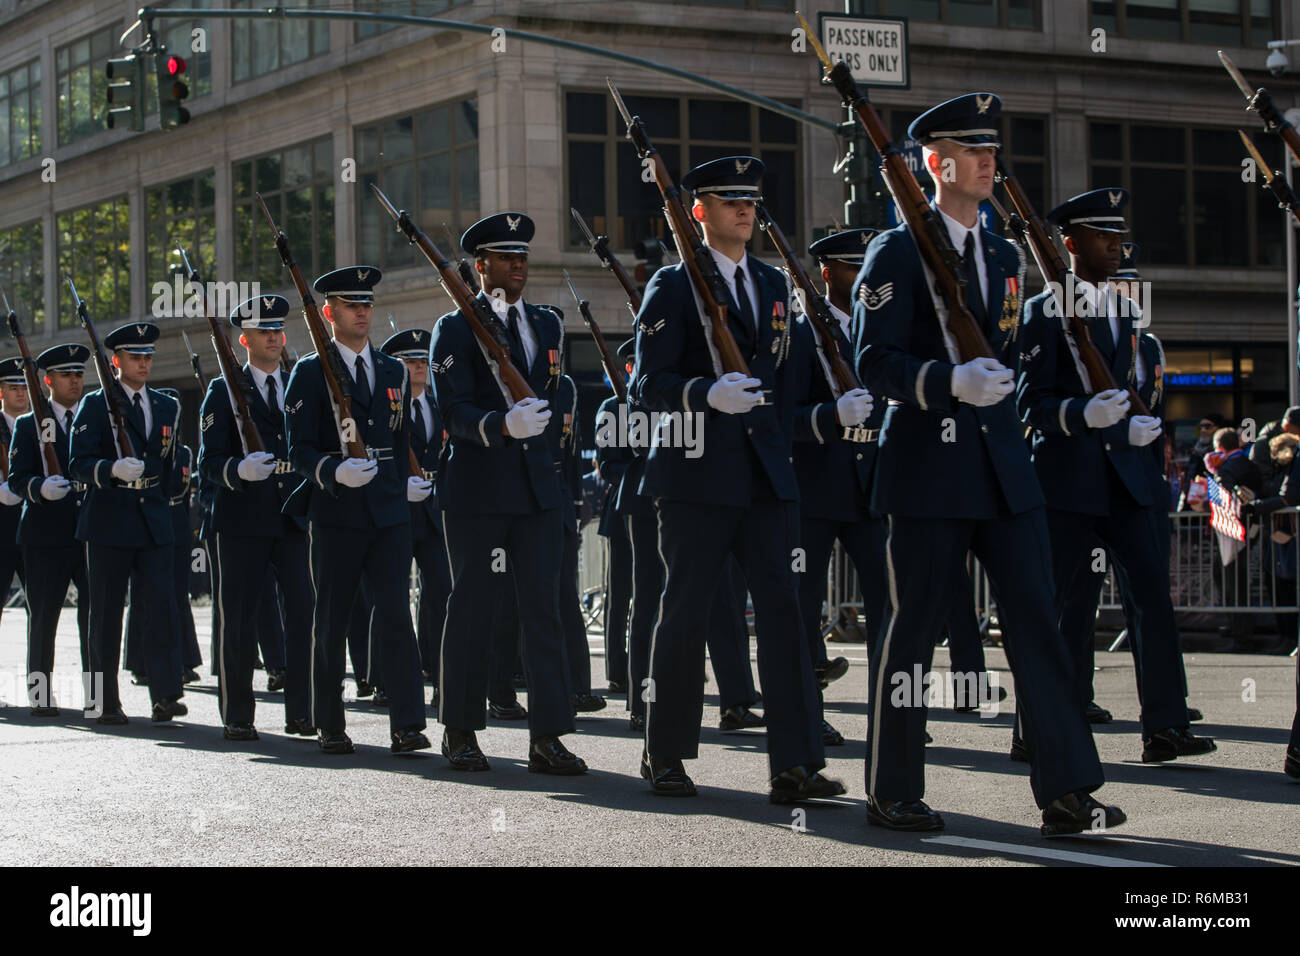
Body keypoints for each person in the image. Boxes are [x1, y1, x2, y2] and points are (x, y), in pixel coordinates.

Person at [853, 94, 1123, 834]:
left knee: (1038, 622)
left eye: (991, 150)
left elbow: (1001, 346)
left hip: (1004, 464)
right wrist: (945, 383)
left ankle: (1067, 788)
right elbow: (871, 359)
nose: (988, 161)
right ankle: (893, 788)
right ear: (935, 165)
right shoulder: (895, 250)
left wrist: (995, 383)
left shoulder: (1004, 255)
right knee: (915, 632)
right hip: (928, 466)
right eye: (973, 152)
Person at [633, 155, 839, 803]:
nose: (745, 209)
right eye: (729, 200)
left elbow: (784, 386)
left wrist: (818, 427)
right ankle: (664, 753)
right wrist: (705, 392)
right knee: (686, 615)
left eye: (751, 199)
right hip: (696, 477)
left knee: (783, 617)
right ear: (699, 212)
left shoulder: (776, 288)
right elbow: (646, 386)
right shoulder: (672, 287)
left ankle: (796, 763)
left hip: (764, 476)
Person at [1017, 189, 1213, 762]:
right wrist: (1087, 418)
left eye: (1119, 236)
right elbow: (1033, 405)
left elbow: (1125, 385)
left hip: (1129, 478)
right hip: (1068, 480)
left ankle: (1165, 726)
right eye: (1103, 236)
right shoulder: (1041, 310)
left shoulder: (1127, 313)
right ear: (1071, 243)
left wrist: (1140, 426)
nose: (1116, 245)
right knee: (1058, 610)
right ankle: (1039, 726)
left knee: (1154, 598)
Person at [429, 212, 587, 774]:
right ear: (481, 266)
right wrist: (499, 426)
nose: (517, 267)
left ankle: (548, 735)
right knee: (472, 606)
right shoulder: (453, 328)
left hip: (538, 487)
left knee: (543, 610)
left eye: (522, 257)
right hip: (478, 487)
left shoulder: (546, 323)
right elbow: (453, 410)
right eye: (505, 258)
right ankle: (460, 729)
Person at [283, 266, 430, 755]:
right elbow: (298, 449)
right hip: (338, 512)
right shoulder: (309, 371)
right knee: (333, 619)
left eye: (366, 303)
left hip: (388, 510)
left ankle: (407, 723)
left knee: (395, 616)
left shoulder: (391, 370)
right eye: (350, 304)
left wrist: (410, 476)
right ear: (329, 313)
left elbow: (399, 432)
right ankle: (330, 722)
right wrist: (331, 470)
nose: (362, 311)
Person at [199, 294, 316, 740]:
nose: (273, 337)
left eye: (278, 330)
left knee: (303, 614)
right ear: (243, 339)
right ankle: (238, 715)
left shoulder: (299, 383)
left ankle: (302, 712)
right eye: (264, 331)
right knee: (240, 618)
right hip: (242, 519)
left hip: (291, 519)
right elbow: (209, 463)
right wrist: (237, 470)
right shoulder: (222, 390)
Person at [69, 322, 185, 724]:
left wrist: (164, 494)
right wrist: (110, 468)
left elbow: (169, 462)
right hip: (108, 521)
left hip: (153, 519)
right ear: (115, 360)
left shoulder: (167, 405)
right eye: (135, 357)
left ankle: (166, 694)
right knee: (105, 617)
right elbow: (77, 464)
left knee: (161, 610)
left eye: (148, 356)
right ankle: (104, 701)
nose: (144, 363)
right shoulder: (94, 405)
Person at [789, 228, 877, 745]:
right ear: (827, 273)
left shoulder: (880, 327)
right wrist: (829, 415)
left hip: (872, 486)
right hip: (816, 488)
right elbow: (784, 416)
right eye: (851, 268)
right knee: (802, 606)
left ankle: (896, 713)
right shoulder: (802, 335)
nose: (862, 278)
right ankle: (805, 713)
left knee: (891, 603)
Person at [9, 345, 91, 715]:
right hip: (44, 535)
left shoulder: (94, 417)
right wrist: (38, 489)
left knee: (95, 617)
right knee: (43, 618)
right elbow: (16, 478)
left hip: (89, 531)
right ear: (48, 381)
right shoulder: (28, 424)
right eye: (66, 376)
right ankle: (40, 694)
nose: (75, 381)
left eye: (78, 374)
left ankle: (99, 696)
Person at [379, 328, 451, 697]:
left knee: (441, 590)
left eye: (423, 360)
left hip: (435, 511)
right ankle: (383, 678)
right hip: (397, 508)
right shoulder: (387, 405)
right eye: (410, 361)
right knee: (391, 595)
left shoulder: (439, 405)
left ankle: (439, 671)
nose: (419, 367)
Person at [0, 358, 30, 623]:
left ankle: (38, 666)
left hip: (34, 524)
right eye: (13, 387)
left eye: (24, 386)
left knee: (39, 605)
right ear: (1, 392)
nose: (21, 392)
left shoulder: (43, 426)